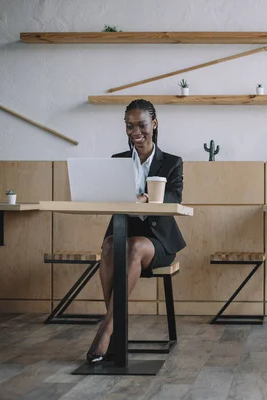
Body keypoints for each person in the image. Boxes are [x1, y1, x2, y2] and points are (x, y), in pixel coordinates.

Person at [86, 99, 187, 364]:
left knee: (135, 246)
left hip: (159, 243)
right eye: (129, 126)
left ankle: (106, 329)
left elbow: (174, 195)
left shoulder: (172, 162)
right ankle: (115, 322)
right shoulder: (117, 161)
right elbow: (108, 197)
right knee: (109, 246)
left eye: (141, 125)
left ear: (153, 123)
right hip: (122, 235)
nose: (135, 132)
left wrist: (146, 199)